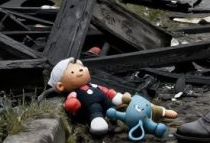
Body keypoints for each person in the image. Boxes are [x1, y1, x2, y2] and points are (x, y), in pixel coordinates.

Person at [49, 57, 178, 135]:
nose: (81, 71)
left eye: (80, 68)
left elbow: (109, 92)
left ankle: (161, 111)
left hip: (111, 106)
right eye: (73, 71)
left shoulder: (95, 86)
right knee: (95, 110)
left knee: (133, 104)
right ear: (61, 86)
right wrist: (72, 105)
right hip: (94, 110)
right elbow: (71, 103)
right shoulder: (74, 93)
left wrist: (120, 97)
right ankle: (100, 123)